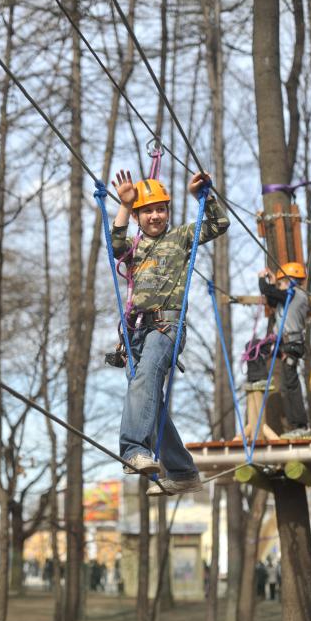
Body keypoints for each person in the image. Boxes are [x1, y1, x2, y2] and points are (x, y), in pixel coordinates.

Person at [110, 169, 230, 496]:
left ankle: (134, 449)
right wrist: (123, 204)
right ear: (137, 216)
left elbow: (219, 225)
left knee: (146, 375)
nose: (155, 215)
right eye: (148, 210)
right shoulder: (132, 246)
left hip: (167, 325)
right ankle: (182, 470)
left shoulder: (180, 237)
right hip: (137, 331)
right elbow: (114, 245)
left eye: (160, 209)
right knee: (150, 401)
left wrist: (204, 198)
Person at [258, 263, 310, 438]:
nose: (279, 286)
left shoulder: (296, 294)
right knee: (287, 386)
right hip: (287, 344)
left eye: (281, 283)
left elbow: (271, 293)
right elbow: (273, 297)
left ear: (290, 281)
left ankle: (301, 426)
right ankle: (297, 426)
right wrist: (273, 282)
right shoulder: (290, 296)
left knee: (291, 386)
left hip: (291, 344)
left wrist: (262, 279)